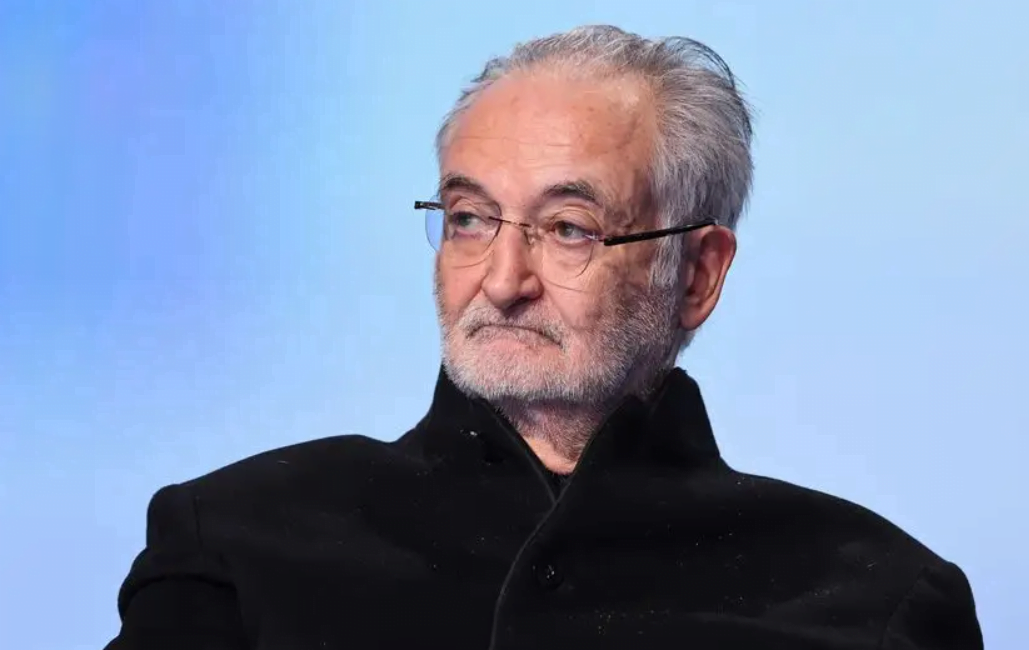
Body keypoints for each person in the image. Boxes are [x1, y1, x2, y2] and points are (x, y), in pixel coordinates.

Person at [105, 25, 983, 650]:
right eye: (468, 218)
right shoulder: (238, 543)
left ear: (697, 274)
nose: (501, 280)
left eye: (567, 229)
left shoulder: (873, 601)